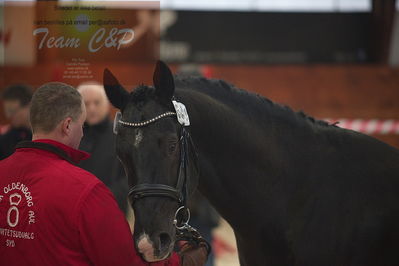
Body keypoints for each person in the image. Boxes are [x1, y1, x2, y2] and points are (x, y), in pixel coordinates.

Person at [0, 82, 208, 266]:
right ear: (67, 126)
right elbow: (125, 262)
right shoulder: (86, 191)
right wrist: (182, 261)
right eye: (81, 125)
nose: (82, 133)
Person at [77, 82, 128, 213]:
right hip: (77, 208)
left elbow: (129, 176)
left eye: (97, 102)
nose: (92, 108)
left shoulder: (121, 134)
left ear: (106, 105)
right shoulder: (73, 136)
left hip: (112, 208)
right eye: (86, 104)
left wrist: (107, 195)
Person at [0, 84, 33, 160]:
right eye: (7, 111)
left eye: (12, 111)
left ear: (29, 106)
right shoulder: (5, 140)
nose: (8, 116)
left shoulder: (46, 134)